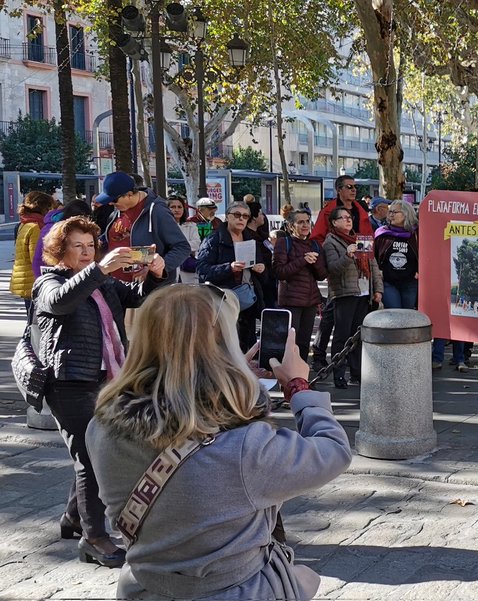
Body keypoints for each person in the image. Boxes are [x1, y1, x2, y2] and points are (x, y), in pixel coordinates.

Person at [87, 285, 352, 599]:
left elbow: (187, 422)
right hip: (236, 591)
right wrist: (297, 386)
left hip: (144, 587)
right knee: (306, 579)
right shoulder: (244, 449)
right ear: (222, 347)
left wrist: (233, 382)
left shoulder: (101, 428)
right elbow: (333, 450)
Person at [33, 217, 167, 568]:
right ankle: (94, 538)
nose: (86, 252)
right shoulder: (48, 282)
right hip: (67, 382)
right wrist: (98, 269)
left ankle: (75, 518)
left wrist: (154, 273)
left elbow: (138, 300)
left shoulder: (103, 284)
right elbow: (61, 302)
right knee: (91, 458)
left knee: (92, 452)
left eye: (90, 246)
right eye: (78, 246)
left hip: (105, 380)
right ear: (60, 250)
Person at [322, 206, 384, 389]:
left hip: (364, 293)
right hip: (344, 294)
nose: (348, 220)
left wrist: (377, 290)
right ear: (334, 222)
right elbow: (333, 268)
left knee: (358, 336)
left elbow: (372, 265)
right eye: (343, 218)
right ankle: (339, 374)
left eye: (349, 217)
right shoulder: (330, 242)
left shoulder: (360, 239)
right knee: (342, 336)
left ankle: (357, 373)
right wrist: (348, 255)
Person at [197, 201, 271, 351]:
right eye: (237, 215)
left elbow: (264, 278)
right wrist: (228, 268)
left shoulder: (251, 241)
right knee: (224, 349)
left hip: (248, 304)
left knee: (247, 348)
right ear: (227, 217)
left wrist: (262, 270)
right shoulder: (213, 240)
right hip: (222, 304)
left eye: (245, 216)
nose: (241, 219)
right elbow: (202, 271)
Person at [94, 171, 191, 284]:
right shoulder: (119, 209)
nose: (110, 203)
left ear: (129, 194)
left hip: (146, 290)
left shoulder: (157, 211)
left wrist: (156, 268)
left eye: (114, 199)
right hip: (115, 286)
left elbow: (182, 247)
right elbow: (112, 239)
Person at [274, 209, 327, 363]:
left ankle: (301, 376)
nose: (305, 225)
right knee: (291, 342)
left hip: (310, 301)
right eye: (300, 222)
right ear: (291, 226)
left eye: (307, 221)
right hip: (291, 301)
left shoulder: (315, 245)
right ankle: (288, 376)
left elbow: (322, 275)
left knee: (304, 343)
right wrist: (303, 260)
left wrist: (315, 262)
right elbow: (279, 272)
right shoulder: (284, 243)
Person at [11, 191, 55, 315]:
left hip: (26, 280)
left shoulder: (24, 224)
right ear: (44, 208)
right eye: (50, 208)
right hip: (33, 281)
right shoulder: (35, 227)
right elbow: (36, 257)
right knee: (35, 324)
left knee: (32, 321)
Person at [375, 200, 419, 309]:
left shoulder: (417, 234)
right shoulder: (382, 233)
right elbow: (374, 256)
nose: (391, 215)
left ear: (406, 214)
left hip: (410, 283)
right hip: (388, 282)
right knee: (394, 314)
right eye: (390, 212)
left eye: (395, 212)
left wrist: (419, 271)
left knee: (408, 316)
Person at [312, 175, 373, 243]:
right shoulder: (327, 211)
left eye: (356, 187)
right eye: (349, 187)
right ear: (339, 190)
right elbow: (317, 238)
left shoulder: (361, 211)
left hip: (360, 250)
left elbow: (369, 236)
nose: (354, 190)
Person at [167, 196, 202, 284]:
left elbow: (196, 244)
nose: (176, 210)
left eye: (179, 207)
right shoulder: (161, 227)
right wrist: (184, 247)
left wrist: (176, 247)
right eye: (173, 207)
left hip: (187, 267)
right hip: (169, 267)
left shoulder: (191, 225)